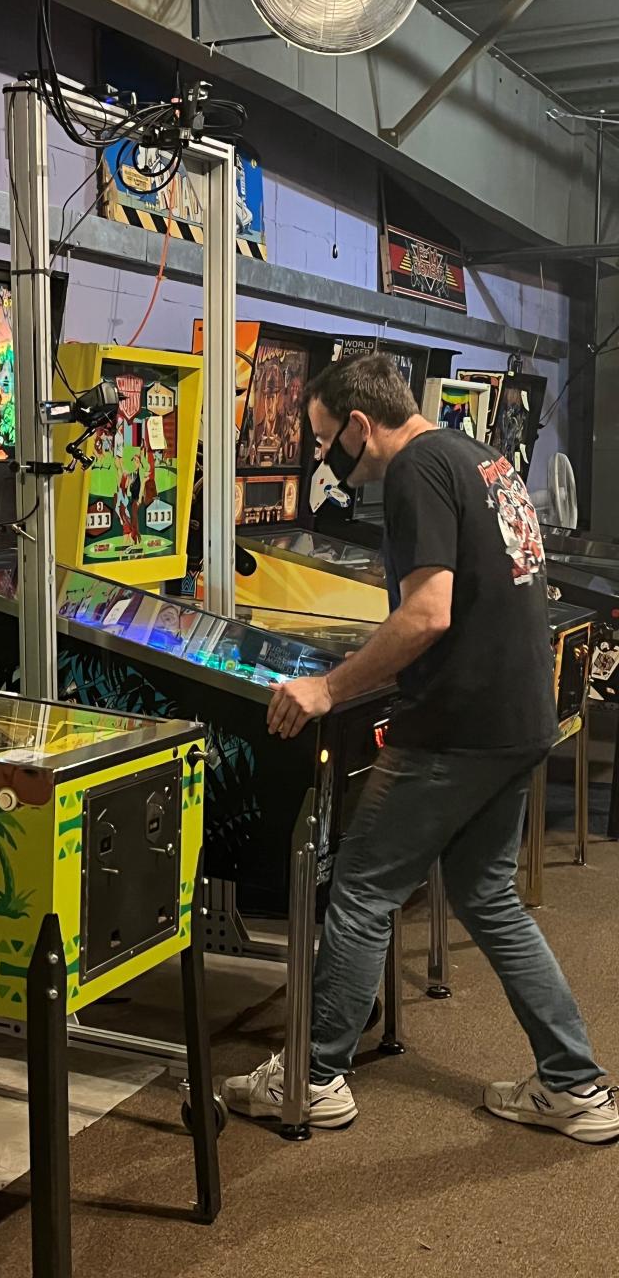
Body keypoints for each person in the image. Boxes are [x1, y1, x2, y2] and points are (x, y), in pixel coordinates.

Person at [221, 354, 618, 1145]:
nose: (333, 459)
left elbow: (428, 613)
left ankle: (314, 1075)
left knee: (363, 890)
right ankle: (575, 1085)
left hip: (455, 726)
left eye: (331, 440)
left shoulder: (412, 472)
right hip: (515, 717)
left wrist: (327, 689)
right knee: (489, 897)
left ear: (362, 424)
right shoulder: (479, 457)